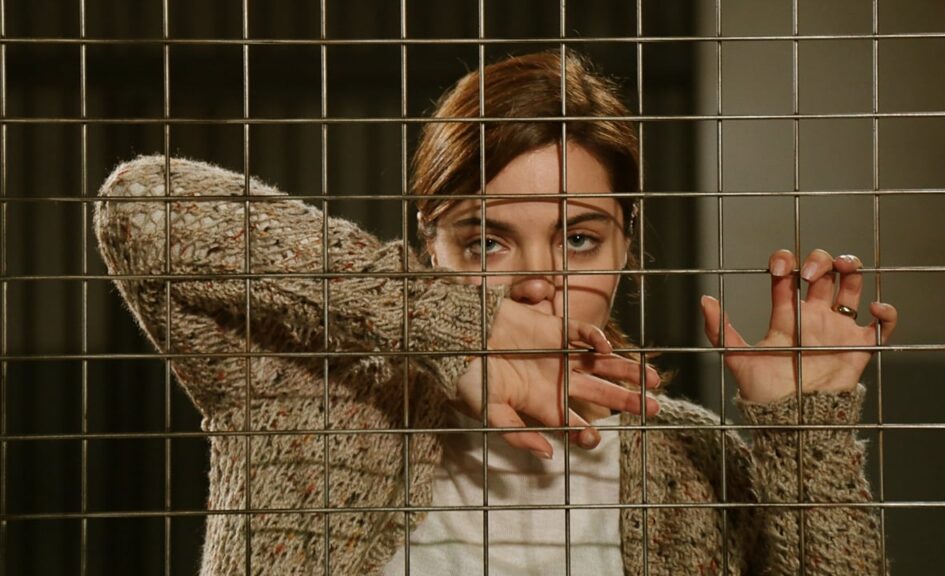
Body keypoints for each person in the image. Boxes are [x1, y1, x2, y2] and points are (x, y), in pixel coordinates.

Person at [94, 50, 897, 575]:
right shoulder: (314, 397)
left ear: (626, 246)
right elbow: (141, 203)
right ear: (429, 246)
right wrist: (457, 325)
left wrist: (807, 434)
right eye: (486, 242)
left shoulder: (692, 460)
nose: (537, 284)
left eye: (578, 239)